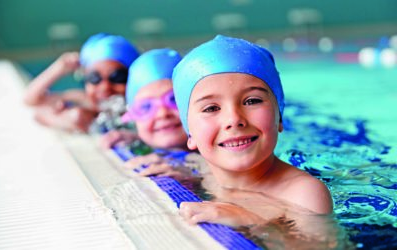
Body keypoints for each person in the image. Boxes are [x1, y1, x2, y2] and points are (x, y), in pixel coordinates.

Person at [172, 35, 333, 228]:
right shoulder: (204, 171)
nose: (234, 119)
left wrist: (252, 221)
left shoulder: (304, 194)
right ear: (190, 134)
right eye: (211, 108)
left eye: (252, 101)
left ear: (279, 117)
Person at [101, 48, 200, 178]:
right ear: (132, 116)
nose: (162, 113)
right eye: (146, 107)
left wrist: (197, 176)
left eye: (173, 100)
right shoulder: (138, 145)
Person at [23, 33, 139, 133]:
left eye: (118, 77)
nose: (105, 87)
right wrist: (60, 68)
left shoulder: (138, 108)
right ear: (85, 79)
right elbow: (31, 100)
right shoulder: (82, 99)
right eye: (94, 78)